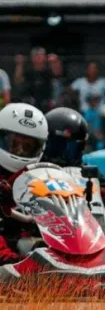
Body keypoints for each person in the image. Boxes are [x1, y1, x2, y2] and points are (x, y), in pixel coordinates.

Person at [40, 107, 105, 219]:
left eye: (72, 147)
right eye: (59, 145)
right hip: (44, 223)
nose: (65, 153)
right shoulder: (31, 168)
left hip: (83, 225)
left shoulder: (90, 174)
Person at [0, 103, 49, 265]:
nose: (20, 151)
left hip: (21, 233)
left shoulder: (39, 173)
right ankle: (5, 259)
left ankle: (81, 254)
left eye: (27, 147)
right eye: (14, 144)